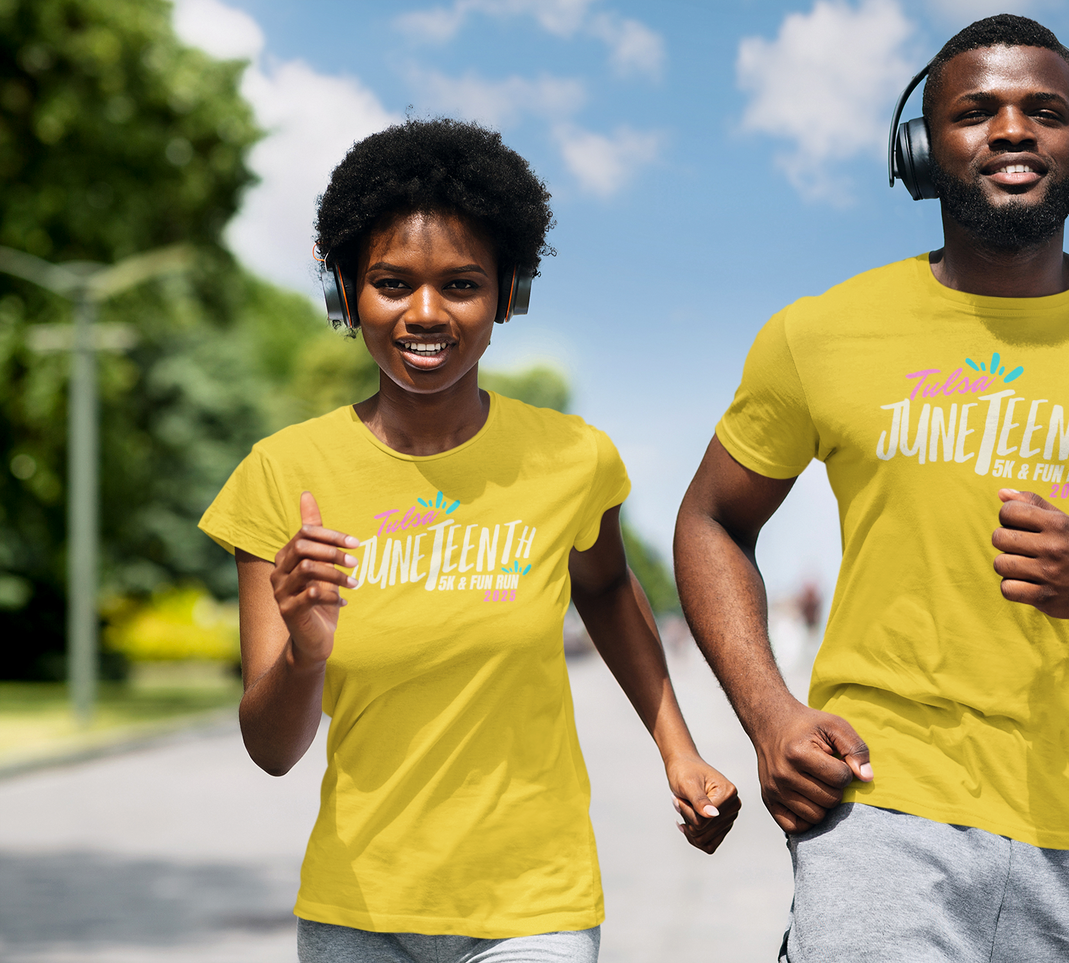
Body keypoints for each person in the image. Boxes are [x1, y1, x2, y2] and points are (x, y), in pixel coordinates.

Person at [674, 14, 1069, 963]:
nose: (1011, 130)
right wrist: (768, 714)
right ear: (923, 150)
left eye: (1044, 111)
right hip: (882, 808)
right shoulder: (821, 333)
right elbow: (712, 517)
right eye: (976, 111)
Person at [200, 118, 739, 963]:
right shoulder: (282, 475)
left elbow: (601, 587)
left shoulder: (570, 456)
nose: (424, 313)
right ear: (345, 288)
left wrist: (679, 747)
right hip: (355, 911)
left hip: (534, 905)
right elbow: (272, 752)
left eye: (460, 284)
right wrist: (307, 654)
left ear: (508, 293)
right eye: (388, 283)